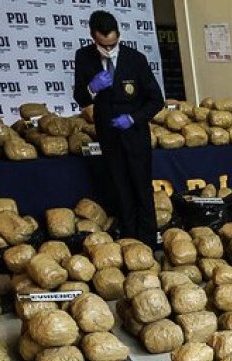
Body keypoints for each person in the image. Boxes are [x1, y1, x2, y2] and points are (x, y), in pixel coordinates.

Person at [73, 11, 165, 243]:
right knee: (120, 187)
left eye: (113, 44)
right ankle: (129, 239)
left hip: (135, 132)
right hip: (108, 133)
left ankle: (148, 240)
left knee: (141, 187)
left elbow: (156, 100)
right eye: (104, 46)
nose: (109, 49)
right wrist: (92, 88)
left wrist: (133, 118)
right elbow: (80, 97)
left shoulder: (135, 59)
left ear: (118, 36)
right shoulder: (84, 57)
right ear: (93, 37)